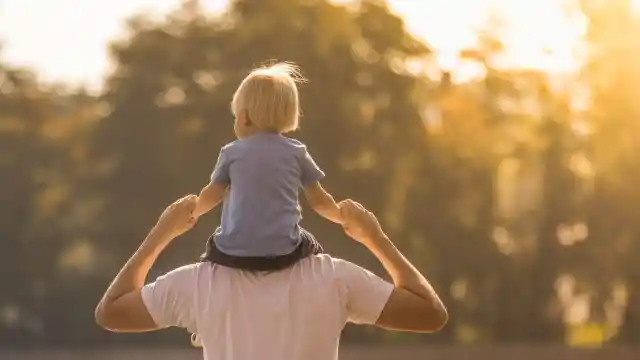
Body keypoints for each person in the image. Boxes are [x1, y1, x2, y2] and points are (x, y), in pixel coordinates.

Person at [95, 195, 448, 360]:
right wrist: (375, 238)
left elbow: (111, 312)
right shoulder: (334, 278)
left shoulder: (198, 284)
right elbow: (429, 313)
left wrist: (162, 233)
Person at [193, 62, 341, 272]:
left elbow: (212, 195)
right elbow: (319, 201)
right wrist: (340, 215)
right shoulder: (296, 152)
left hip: (233, 254)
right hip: (283, 253)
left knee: (215, 242)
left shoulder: (231, 152)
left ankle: (208, 274)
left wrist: (193, 211)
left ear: (244, 118)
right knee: (310, 242)